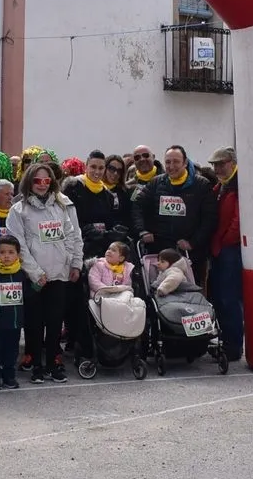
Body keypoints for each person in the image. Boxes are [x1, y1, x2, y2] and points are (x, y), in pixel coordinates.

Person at [6, 162, 83, 384]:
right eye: (37, 180)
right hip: (35, 277)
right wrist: (35, 272)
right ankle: (36, 365)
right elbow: (17, 244)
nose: (42, 184)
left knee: (55, 321)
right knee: (34, 322)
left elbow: (72, 235)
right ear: (29, 181)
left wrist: (73, 263)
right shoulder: (18, 210)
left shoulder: (61, 207)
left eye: (46, 180)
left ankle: (53, 362)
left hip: (59, 274)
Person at [131, 145, 217, 284]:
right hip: (160, 250)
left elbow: (210, 218)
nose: (171, 166)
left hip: (190, 253)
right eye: (168, 162)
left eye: (176, 162)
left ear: (185, 163)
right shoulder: (156, 182)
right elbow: (138, 206)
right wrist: (142, 231)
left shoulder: (201, 185)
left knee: (191, 290)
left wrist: (193, 242)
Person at [0, 235, 32, 390]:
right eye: (2, 252)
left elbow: (26, 295)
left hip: (15, 322)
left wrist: (36, 287)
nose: (6, 256)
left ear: (18, 255)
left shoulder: (21, 274)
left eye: (11, 252)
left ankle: (9, 376)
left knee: (12, 351)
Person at [207, 146, 243, 361]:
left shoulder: (238, 186)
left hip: (228, 249)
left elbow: (238, 220)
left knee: (228, 298)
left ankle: (233, 346)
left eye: (221, 164)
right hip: (219, 248)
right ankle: (226, 341)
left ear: (232, 162)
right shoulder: (221, 186)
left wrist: (225, 241)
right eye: (215, 165)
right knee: (220, 297)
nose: (217, 168)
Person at [103, 153, 133, 229]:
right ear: (104, 168)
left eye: (119, 171)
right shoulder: (96, 189)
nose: (115, 173)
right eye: (111, 169)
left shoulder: (125, 192)